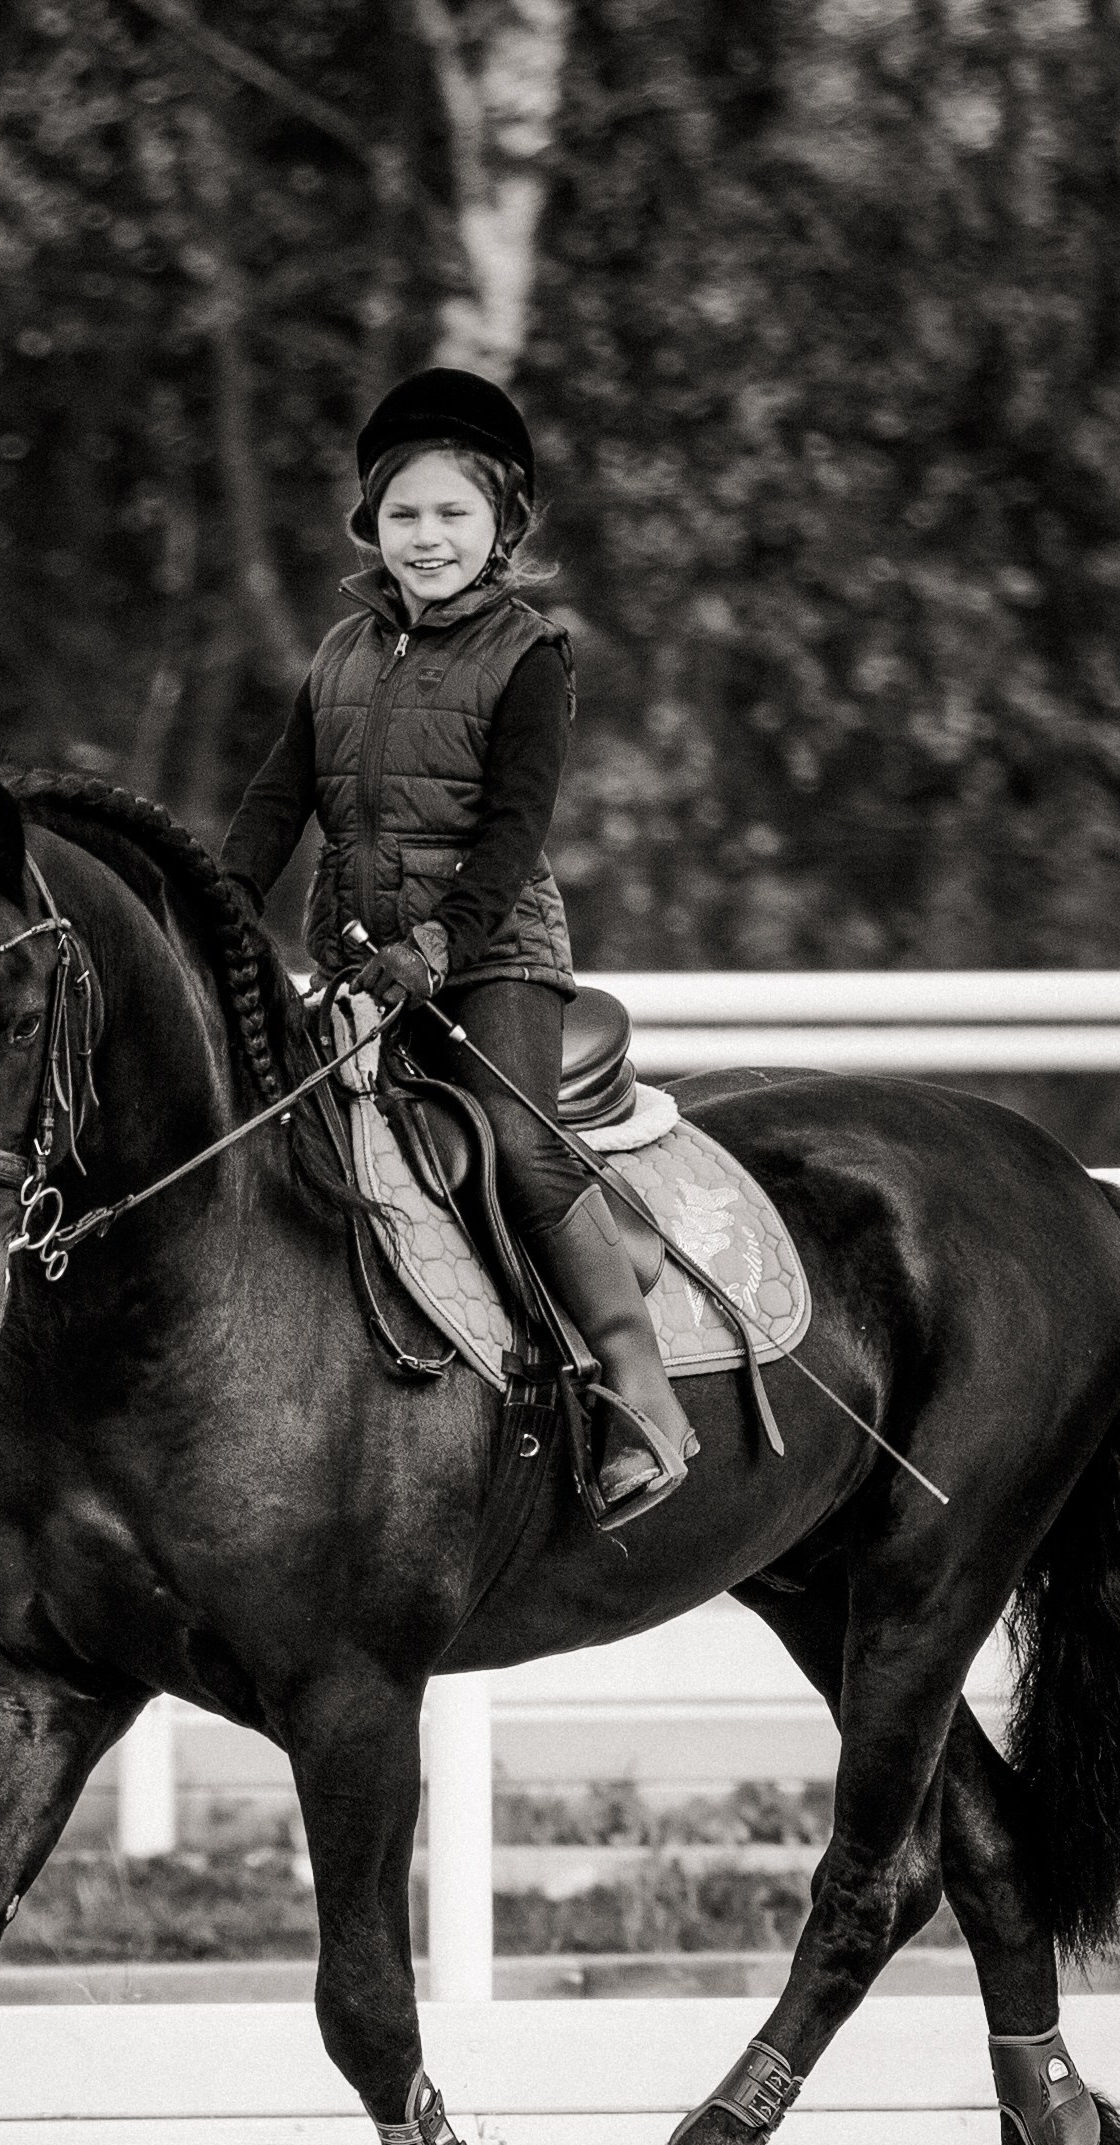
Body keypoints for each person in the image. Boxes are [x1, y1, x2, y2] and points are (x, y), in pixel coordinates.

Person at [220, 367, 696, 1509]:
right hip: (359, 965)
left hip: (492, 958)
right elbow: (277, 801)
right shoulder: (339, 654)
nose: (425, 537)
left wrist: (437, 946)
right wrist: (219, 900)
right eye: (403, 514)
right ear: (371, 525)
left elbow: (512, 832)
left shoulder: (529, 654)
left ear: (502, 526)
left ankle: (640, 1391)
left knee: (511, 1140)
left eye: (451, 513)